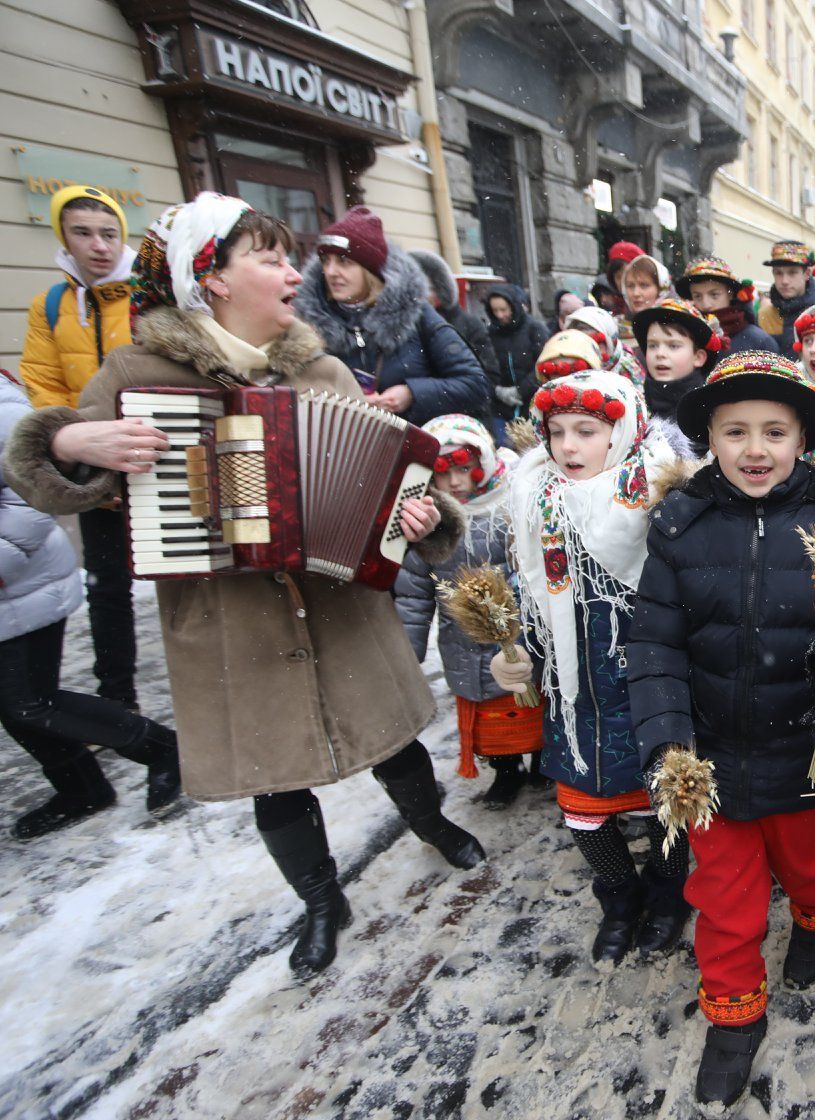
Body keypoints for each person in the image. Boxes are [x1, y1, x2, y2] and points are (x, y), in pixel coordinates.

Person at [2, 193, 485, 978]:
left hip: (338, 606)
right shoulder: (137, 373)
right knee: (274, 773)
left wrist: (424, 517)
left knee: (390, 738)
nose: (294, 273)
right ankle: (322, 898)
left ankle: (432, 824)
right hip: (229, 618)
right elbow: (50, 478)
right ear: (212, 278)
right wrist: (72, 437)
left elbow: (380, 487)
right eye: (268, 258)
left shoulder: (324, 369)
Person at [628, 351, 815, 1107]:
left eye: (774, 431)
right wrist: (668, 741)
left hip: (800, 750)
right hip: (710, 756)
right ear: (711, 440)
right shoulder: (680, 525)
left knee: (807, 858)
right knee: (725, 895)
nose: (754, 449)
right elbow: (654, 641)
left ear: (801, 440)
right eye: (735, 432)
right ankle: (734, 1015)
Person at [493, 367, 694, 964]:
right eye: (557, 432)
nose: (568, 447)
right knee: (583, 806)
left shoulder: (660, 499)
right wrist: (518, 653)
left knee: (665, 799)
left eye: (587, 430)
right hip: (574, 691)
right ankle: (618, 897)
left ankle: (667, 894)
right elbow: (528, 588)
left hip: (647, 681)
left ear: (622, 431)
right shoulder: (535, 498)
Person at [0, 368, 181, 838]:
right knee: (13, 704)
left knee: (31, 701)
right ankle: (80, 787)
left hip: (20, 586)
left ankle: (161, 748)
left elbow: (32, 491)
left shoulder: (2, 404)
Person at [20, 185, 141, 709]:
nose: (99, 245)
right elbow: (43, 383)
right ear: (64, 239)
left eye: (109, 233)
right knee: (108, 587)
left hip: (149, 455)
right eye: (84, 233)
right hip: (92, 470)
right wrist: (83, 444)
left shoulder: (145, 295)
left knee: (185, 580)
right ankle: (119, 697)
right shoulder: (51, 305)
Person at [394, 414, 537, 809]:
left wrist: (519, 608)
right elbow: (413, 593)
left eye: (464, 468)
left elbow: (528, 565)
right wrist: (408, 650)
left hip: (518, 629)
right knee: (491, 721)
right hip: (463, 637)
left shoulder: (511, 503)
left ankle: (543, 760)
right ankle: (506, 770)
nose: (456, 481)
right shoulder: (426, 520)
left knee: (532, 699)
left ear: (484, 463)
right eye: (444, 474)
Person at [293, 206, 489, 427]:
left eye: (344, 262)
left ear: (371, 271)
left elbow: (474, 384)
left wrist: (412, 393)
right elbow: (298, 401)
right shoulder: (307, 324)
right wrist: (347, 404)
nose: (330, 271)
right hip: (344, 453)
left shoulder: (417, 314)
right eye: (326, 261)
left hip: (414, 451)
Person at [633, 296, 725, 421]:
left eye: (673, 346)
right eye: (653, 345)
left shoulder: (711, 412)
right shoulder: (635, 405)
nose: (660, 353)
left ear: (698, 357)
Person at [411, 249, 496, 383]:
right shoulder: (404, 329)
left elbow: (488, 375)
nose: (422, 296)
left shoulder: (468, 324)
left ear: (439, 290)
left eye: (429, 289)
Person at [482, 283, 550, 435]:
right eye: (495, 311)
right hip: (500, 406)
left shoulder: (535, 329)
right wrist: (496, 390)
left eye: (503, 310)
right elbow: (485, 366)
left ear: (513, 307)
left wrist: (520, 391)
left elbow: (543, 365)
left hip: (532, 402)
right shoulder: (490, 333)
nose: (500, 315)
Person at [675, 256, 777, 356]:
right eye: (697, 296)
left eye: (714, 295)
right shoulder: (683, 336)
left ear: (730, 294)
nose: (706, 304)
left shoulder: (759, 341)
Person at [757, 240, 815, 356]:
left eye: (792, 272)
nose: (784, 281)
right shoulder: (765, 315)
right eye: (778, 273)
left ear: (807, 273)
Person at [565, 304, 646, 387]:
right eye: (579, 344)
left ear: (609, 342)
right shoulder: (565, 364)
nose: (587, 351)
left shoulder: (627, 368)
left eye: (596, 343)